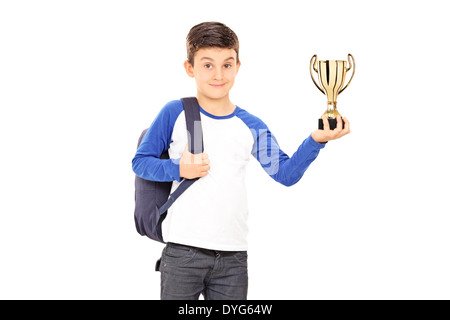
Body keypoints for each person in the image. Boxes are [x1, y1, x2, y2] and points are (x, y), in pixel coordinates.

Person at [132, 21, 350, 300]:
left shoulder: (251, 125)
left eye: (227, 64)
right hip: (183, 254)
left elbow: (285, 174)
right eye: (208, 65)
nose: (219, 74)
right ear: (190, 68)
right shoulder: (175, 112)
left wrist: (316, 140)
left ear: (237, 66)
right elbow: (140, 162)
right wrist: (178, 168)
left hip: (234, 259)